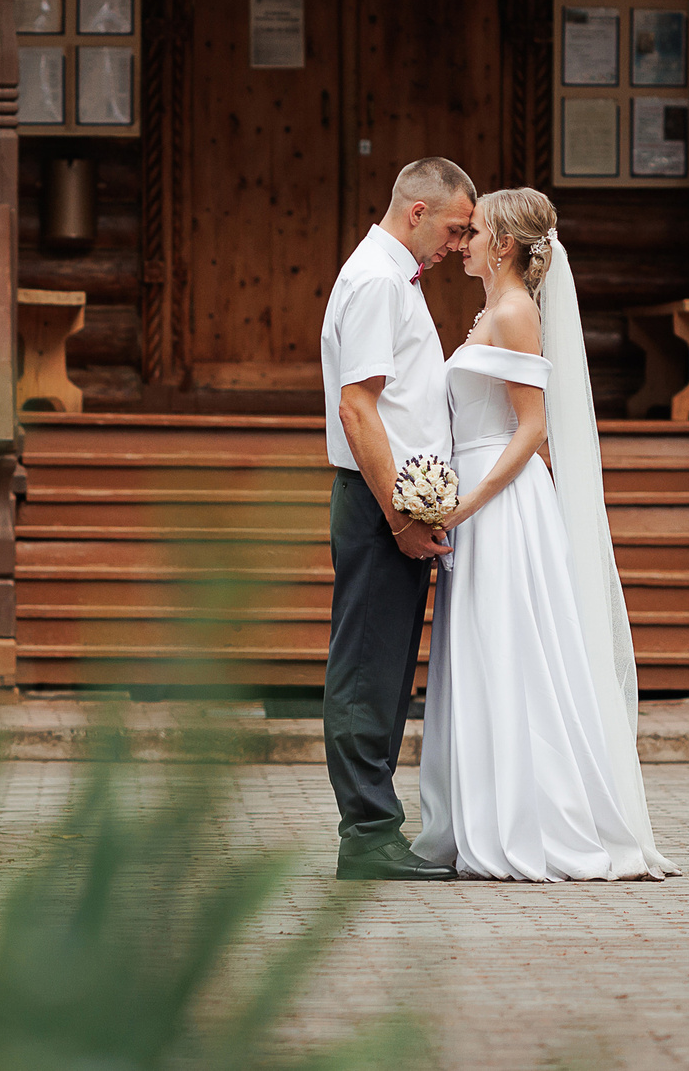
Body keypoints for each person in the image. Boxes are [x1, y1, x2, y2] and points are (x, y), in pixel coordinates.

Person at [413, 187, 678, 882]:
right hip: (479, 495)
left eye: (473, 232)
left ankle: (533, 818)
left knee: (511, 651)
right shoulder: (490, 312)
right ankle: (484, 810)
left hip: (499, 503)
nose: (462, 242)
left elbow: (532, 428)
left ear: (502, 243)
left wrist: (462, 506)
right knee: (488, 651)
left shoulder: (515, 312)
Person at [318, 156, 474, 882]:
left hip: (394, 503)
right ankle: (368, 835)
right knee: (365, 670)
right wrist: (399, 515)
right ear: (417, 210)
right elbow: (359, 406)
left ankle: (377, 828)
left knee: (385, 672)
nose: (457, 242)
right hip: (380, 505)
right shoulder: (379, 279)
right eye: (454, 227)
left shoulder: (390, 275)